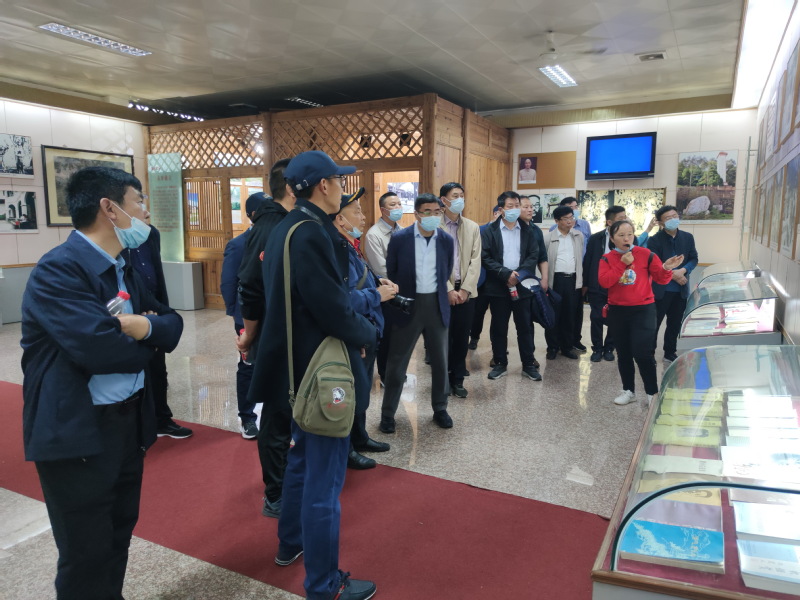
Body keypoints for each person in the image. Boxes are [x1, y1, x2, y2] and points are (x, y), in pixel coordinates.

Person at [20, 166, 184, 599]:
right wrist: (147, 340)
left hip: (126, 425)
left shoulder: (123, 265)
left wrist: (145, 329)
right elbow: (102, 351)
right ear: (109, 209)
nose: (145, 212)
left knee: (118, 533)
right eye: (139, 201)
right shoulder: (59, 270)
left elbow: (171, 324)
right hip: (79, 432)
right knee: (85, 550)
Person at [248, 150, 378, 600]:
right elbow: (333, 308)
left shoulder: (286, 227)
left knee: (302, 462)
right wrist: (368, 332)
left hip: (292, 370)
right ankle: (325, 585)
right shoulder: (312, 233)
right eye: (339, 181)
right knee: (325, 481)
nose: (342, 188)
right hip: (319, 377)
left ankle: (291, 543)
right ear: (324, 185)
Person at [235, 158, 296, 518]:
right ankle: (275, 493)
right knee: (277, 415)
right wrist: (249, 335)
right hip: (274, 339)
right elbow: (250, 285)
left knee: (291, 413)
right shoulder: (270, 225)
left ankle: (292, 479)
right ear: (292, 188)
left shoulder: (294, 222)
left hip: (295, 338)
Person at [331, 186, 396, 469]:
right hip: (353, 332)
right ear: (339, 219)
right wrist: (376, 295)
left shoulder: (351, 246)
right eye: (356, 212)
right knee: (351, 393)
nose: (363, 216)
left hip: (367, 331)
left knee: (362, 389)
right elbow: (341, 300)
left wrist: (376, 283)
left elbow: (359, 282)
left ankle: (359, 437)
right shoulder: (336, 251)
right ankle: (346, 449)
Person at [380, 193, 455, 433]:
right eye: (427, 212)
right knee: (397, 362)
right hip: (408, 306)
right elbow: (392, 270)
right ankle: (388, 414)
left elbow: (446, 271)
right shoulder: (400, 239)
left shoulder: (446, 240)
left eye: (437, 212)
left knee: (440, 361)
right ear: (417, 214)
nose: (433, 216)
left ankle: (440, 408)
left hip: (436, 304)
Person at [598, 220, 684, 407]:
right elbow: (605, 282)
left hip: (643, 310)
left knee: (643, 353)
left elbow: (661, 279)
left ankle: (652, 392)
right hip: (618, 311)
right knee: (623, 353)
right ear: (612, 238)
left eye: (629, 234)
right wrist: (622, 264)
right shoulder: (606, 258)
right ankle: (629, 391)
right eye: (621, 235)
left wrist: (666, 268)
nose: (626, 238)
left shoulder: (646, 254)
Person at [125, 210, 192, 440]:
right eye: (137, 202)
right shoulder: (115, 236)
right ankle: (137, 423)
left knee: (158, 368)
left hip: (155, 305)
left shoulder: (150, 233)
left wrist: (162, 309)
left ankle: (162, 419)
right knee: (137, 367)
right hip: (130, 308)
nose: (146, 210)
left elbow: (155, 270)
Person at [220, 192, 268, 439]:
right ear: (254, 215)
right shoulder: (239, 244)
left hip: (273, 316)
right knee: (248, 365)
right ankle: (247, 418)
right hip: (247, 317)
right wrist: (237, 316)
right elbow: (228, 283)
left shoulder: (278, 239)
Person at [481, 191, 542, 381]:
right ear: (501, 209)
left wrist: (519, 274)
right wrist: (505, 274)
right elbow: (485, 257)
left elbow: (533, 255)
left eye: (517, 205)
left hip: (522, 285)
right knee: (499, 326)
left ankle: (528, 364)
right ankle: (500, 362)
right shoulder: (490, 231)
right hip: (498, 286)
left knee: (525, 326)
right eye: (510, 206)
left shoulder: (528, 230)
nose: (515, 209)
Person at [439, 182, 481, 398]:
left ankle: (458, 379)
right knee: (442, 339)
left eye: (462, 195)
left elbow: (476, 260)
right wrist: (447, 289)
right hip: (441, 293)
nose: (460, 200)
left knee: (462, 338)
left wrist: (465, 289)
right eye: (455, 196)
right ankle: (443, 380)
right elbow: (432, 262)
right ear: (444, 200)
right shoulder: (434, 227)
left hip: (466, 293)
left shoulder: (473, 227)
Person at [647, 205, 699, 362]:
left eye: (675, 216)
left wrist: (683, 270)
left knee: (674, 323)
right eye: (668, 218)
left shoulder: (688, 237)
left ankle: (670, 351)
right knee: (654, 323)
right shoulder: (654, 240)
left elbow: (694, 258)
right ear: (660, 222)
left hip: (680, 289)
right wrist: (674, 275)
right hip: (661, 290)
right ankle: (649, 352)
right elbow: (655, 264)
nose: (673, 219)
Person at [583, 206, 630, 363]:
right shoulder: (595, 238)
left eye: (625, 217)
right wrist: (586, 283)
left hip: (618, 284)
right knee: (596, 317)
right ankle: (597, 348)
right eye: (620, 218)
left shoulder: (628, 239)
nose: (624, 220)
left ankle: (610, 347)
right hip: (597, 284)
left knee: (615, 318)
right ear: (609, 222)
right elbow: (588, 261)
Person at [542, 206, 584, 360]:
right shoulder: (548, 238)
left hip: (572, 280)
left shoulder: (578, 236)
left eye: (571, 217)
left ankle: (567, 347)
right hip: (556, 281)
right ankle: (552, 347)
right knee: (553, 316)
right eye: (566, 218)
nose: (570, 221)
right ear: (556, 221)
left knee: (569, 315)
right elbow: (543, 260)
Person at [519, 193, 548, 368]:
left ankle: (529, 357)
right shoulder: (511, 227)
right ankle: (499, 356)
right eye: (526, 207)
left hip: (528, 283)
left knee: (527, 322)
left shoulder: (536, 230)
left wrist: (544, 278)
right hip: (506, 281)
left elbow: (542, 257)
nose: (530, 210)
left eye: (531, 207)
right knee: (500, 322)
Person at [468, 204, 502, 349]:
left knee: (498, 316)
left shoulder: (506, 232)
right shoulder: (480, 230)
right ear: (496, 213)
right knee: (478, 312)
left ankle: (497, 344)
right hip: (481, 279)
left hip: (499, 279)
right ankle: (474, 337)